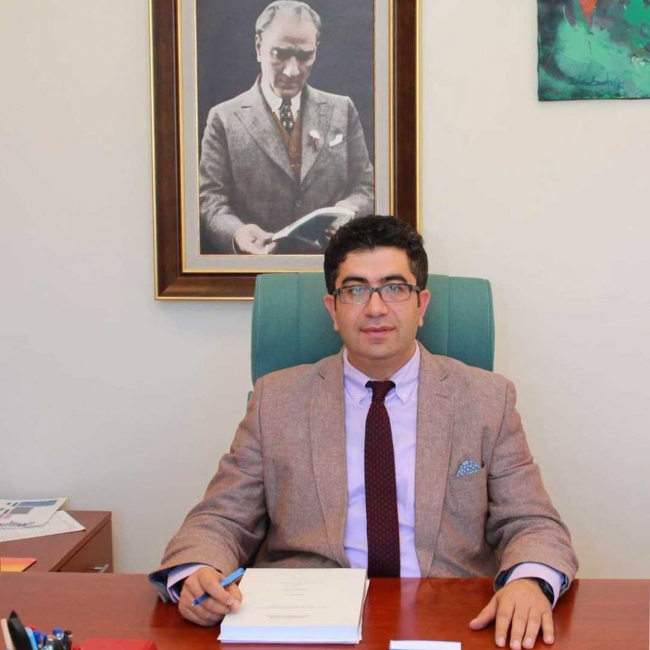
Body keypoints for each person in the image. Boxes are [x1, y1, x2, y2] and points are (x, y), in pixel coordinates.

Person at [150, 216, 578, 650]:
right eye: (355, 290)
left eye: (394, 288)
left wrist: (529, 583)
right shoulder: (276, 401)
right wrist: (198, 571)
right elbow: (220, 518)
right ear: (332, 309)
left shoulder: (487, 399)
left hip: (451, 619)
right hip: (307, 624)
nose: (375, 308)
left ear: (422, 305)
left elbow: (532, 523)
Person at [199, 0, 374, 255]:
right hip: (257, 270)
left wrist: (350, 211)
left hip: (330, 267)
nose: (292, 71)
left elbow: (366, 187)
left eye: (305, 56)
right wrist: (237, 233)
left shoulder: (343, 110)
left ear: (316, 50)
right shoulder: (223, 118)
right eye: (279, 54)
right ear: (259, 48)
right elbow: (210, 200)